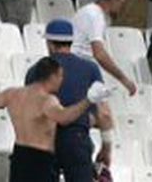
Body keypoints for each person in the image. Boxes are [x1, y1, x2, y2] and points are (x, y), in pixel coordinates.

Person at [0, 54, 109, 182]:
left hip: (19, 157)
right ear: (53, 76)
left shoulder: (13, 94)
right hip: (39, 160)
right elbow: (64, 117)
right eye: (61, 76)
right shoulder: (47, 100)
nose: (62, 80)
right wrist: (88, 100)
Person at [35, 19, 115, 182]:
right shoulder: (90, 69)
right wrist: (106, 148)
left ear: (50, 44)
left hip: (44, 141)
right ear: (71, 42)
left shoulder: (36, 71)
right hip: (76, 140)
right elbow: (104, 114)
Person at [70, 0, 136, 94]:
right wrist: (124, 79)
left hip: (81, 67)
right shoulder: (95, 15)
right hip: (79, 68)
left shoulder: (95, 13)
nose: (123, 1)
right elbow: (99, 54)